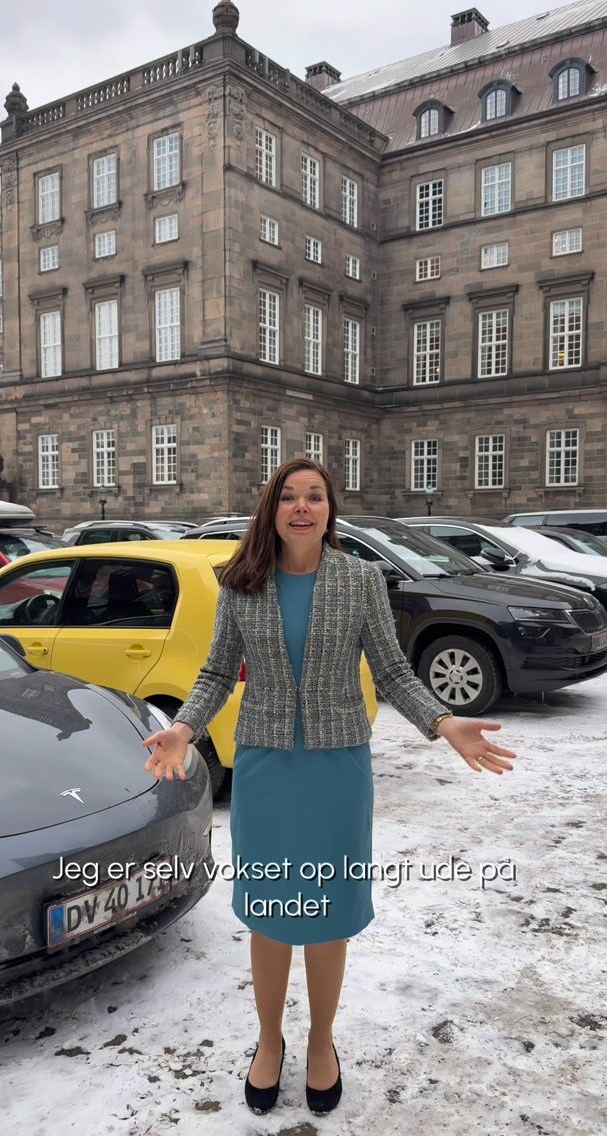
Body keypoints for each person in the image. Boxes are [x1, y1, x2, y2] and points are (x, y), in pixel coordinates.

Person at [142, 458, 517, 1117]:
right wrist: (183, 727)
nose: (301, 506)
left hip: (336, 770)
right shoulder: (242, 581)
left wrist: (443, 721)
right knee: (270, 913)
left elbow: (393, 672)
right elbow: (216, 672)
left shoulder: (359, 579)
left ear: (328, 510)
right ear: (272, 510)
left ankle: (321, 1043)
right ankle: (268, 1041)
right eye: (289, 496)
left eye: (314, 496)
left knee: (327, 913)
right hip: (265, 769)